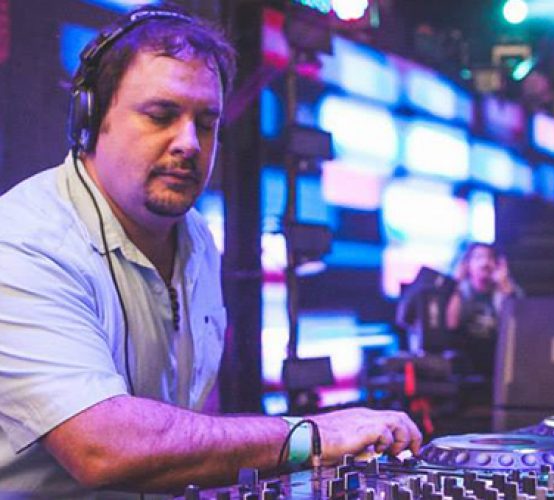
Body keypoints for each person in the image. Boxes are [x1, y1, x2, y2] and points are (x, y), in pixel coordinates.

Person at [0, 5, 420, 498]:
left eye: (205, 122)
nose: (189, 143)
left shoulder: (196, 236)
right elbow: (103, 447)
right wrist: (311, 436)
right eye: (160, 116)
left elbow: (195, 425)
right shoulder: (24, 243)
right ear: (92, 118)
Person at [445, 242, 523, 376]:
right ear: (468, 265)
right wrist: (456, 285)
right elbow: (451, 324)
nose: (485, 263)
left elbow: (519, 327)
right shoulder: (459, 291)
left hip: (497, 360)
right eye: (478, 258)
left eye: (490, 258)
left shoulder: (507, 291)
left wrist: (505, 286)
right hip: (464, 361)